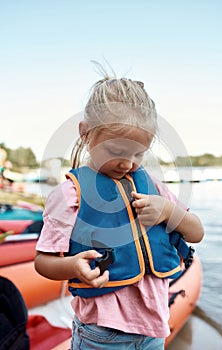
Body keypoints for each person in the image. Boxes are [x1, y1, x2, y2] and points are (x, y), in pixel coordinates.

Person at [35, 66, 204, 350]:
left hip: (154, 333)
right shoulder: (69, 194)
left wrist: (168, 212)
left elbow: (196, 232)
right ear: (86, 134)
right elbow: (42, 261)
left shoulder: (153, 187)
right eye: (116, 152)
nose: (128, 164)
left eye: (139, 154)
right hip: (101, 335)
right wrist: (71, 265)